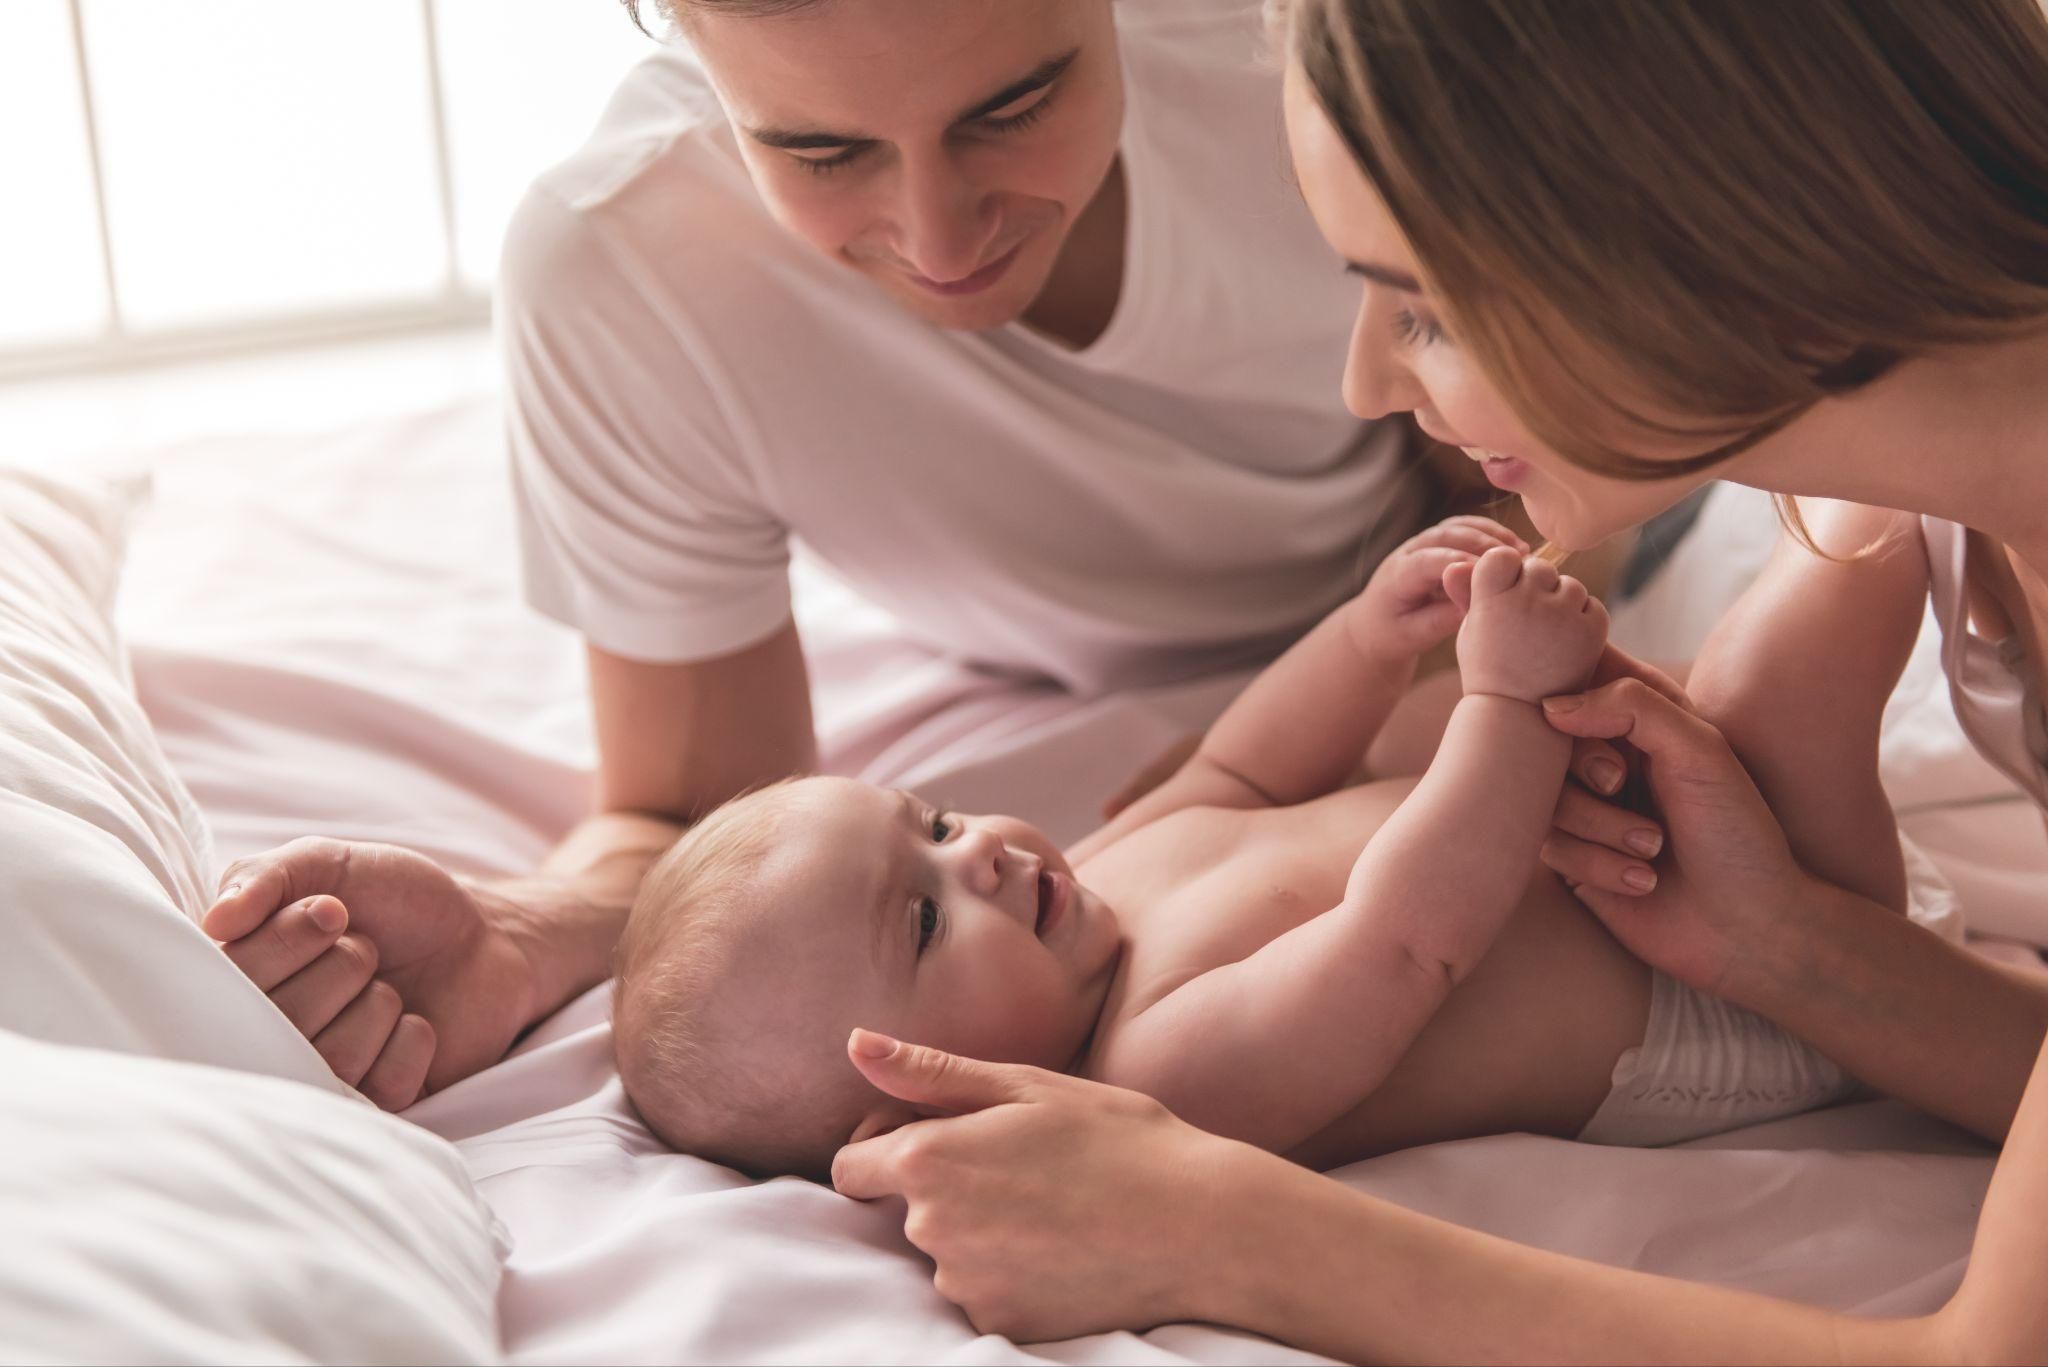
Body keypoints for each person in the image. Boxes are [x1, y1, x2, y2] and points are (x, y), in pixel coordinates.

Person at [825, 0, 2048, 1359]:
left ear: (1701, 225)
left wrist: (1213, 1223)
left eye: (1420, 306)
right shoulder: (1917, 464)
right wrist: (1790, 950)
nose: (1361, 385)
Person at [196, 0, 1436, 1107]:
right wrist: (519, 928)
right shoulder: (629, 268)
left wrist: (1393, 703)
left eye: (1010, 108)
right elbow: (694, 817)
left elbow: (1564, 459)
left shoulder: (1326, 65)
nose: (939, 242)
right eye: (819, 152)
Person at [617, 519, 1899, 1180]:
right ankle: (1896, 504)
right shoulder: (1157, 1071)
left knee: (1467, 720)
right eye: (923, 919)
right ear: (919, 1094)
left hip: (1631, 865)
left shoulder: (1095, 880)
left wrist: (1362, 640)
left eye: (935, 824)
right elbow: (1404, 939)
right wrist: (1502, 710)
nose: (984, 860)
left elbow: (1236, 769)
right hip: (1745, 1003)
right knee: (1777, 672)